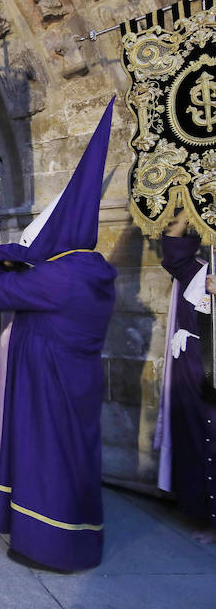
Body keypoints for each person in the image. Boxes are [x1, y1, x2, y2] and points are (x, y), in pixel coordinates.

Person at [0, 99, 117, 572]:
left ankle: (50, 546)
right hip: (69, 378)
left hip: (50, 382)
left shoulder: (64, 275)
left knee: (48, 460)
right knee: (70, 458)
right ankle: (72, 539)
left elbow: (3, 289)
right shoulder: (92, 269)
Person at [156, 211, 216, 543]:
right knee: (195, 438)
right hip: (190, 368)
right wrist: (187, 201)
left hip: (213, 369)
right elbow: (172, 242)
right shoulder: (195, 269)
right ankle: (203, 517)